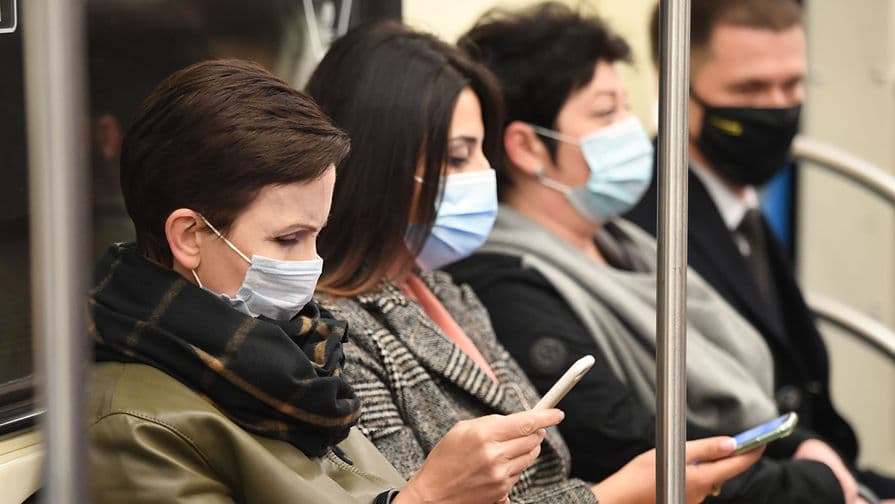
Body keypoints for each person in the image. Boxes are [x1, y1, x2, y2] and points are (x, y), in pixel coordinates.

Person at [308, 20, 761, 504]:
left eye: (481, 151)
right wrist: (620, 493)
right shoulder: (332, 334)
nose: (485, 172)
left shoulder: (446, 292)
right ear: (381, 168)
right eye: (459, 157)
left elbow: (545, 476)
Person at [87, 58, 574, 504]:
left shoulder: (295, 361)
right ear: (189, 236)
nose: (311, 263)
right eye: (288, 239)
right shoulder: (132, 427)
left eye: (317, 235)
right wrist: (429, 498)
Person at [447, 3, 857, 502]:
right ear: (529, 147)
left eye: (627, 107)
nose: (630, 129)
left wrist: (799, 443)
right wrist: (818, 482)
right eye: (605, 113)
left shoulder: (628, 243)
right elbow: (626, 444)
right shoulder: (503, 283)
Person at [625, 1, 895, 500]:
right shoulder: (643, 224)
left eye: (792, 86)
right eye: (749, 90)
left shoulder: (743, 212)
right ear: (677, 88)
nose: (775, 107)